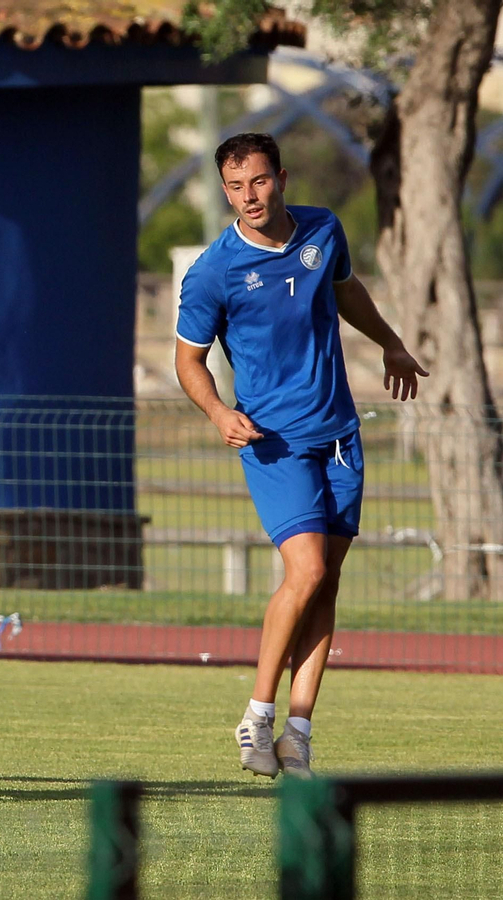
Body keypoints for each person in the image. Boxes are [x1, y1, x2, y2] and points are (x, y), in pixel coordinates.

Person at [174, 133, 428, 779]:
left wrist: (392, 344)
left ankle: (298, 731)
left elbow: (345, 292)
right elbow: (188, 359)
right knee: (307, 570)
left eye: (258, 181)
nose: (249, 196)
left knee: (327, 581)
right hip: (273, 441)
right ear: (224, 190)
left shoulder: (323, 230)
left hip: (339, 434)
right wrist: (217, 411)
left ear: (280, 177)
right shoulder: (213, 270)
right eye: (235, 187)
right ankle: (256, 716)